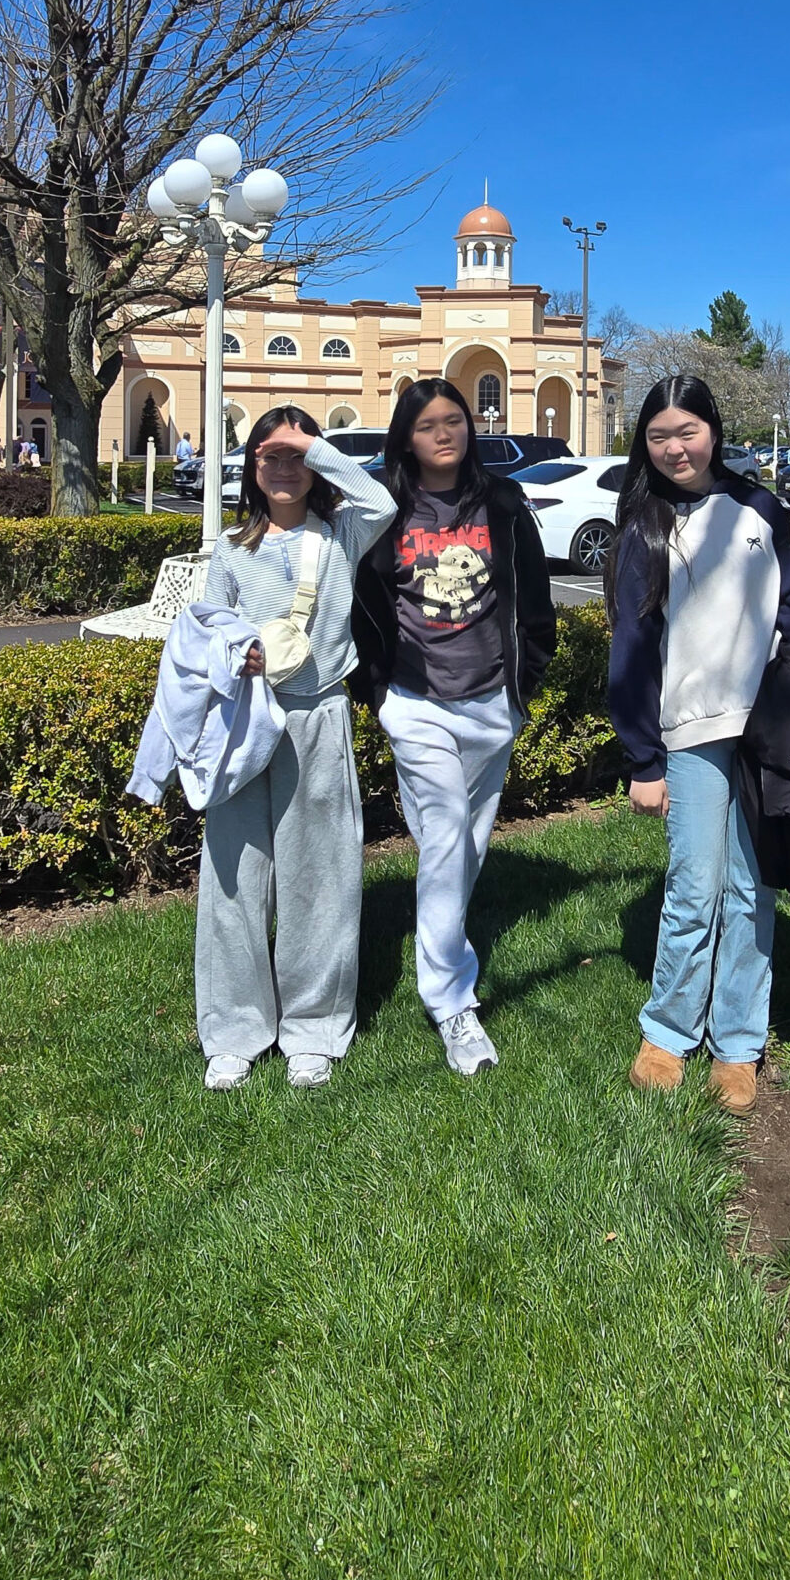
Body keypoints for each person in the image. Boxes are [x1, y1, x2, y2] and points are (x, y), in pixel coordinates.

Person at [607, 374, 790, 1116]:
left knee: (750, 888)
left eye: (688, 431)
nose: (675, 448)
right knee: (693, 887)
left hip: (763, 733)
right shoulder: (642, 526)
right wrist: (643, 760)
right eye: (658, 436)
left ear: (713, 429)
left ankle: (737, 1044)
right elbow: (630, 651)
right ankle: (668, 1033)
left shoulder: (763, 512)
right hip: (688, 736)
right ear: (643, 443)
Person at [351, 378, 556, 1077]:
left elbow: (534, 599)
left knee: (464, 844)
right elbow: (360, 602)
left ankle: (441, 943)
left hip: (491, 704)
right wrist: (377, 692)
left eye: (454, 420)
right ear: (405, 438)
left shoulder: (502, 502)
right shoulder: (383, 507)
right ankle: (450, 1000)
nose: (444, 434)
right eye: (427, 425)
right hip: (416, 704)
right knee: (444, 837)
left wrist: (523, 688)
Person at [196, 406, 395, 1093]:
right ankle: (233, 1028)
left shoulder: (342, 532)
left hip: (318, 716)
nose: (284, 468)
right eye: (269, 455)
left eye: (296, 456)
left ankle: (314, 1027)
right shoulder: (232, 547)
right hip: (243, 721)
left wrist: (314, 445)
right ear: (250, 466)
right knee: (234, 874)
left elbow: (381, 499)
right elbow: (208, 629)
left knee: (320, 875)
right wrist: (236, 654)